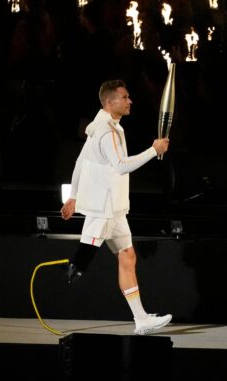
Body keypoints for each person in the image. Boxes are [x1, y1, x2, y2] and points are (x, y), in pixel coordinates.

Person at [60, 79, 171, 335]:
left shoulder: (104, 126)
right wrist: (153, 151)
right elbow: (121, 166)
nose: (129, 101)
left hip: (115, 205)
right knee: (85, 254)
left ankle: (141, 319)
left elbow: (81, 162)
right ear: (110, 102)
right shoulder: (106, 131)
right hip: (105, 204)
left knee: (127, 256)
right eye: (125, 97)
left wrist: (74, 196)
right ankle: (72, 267)